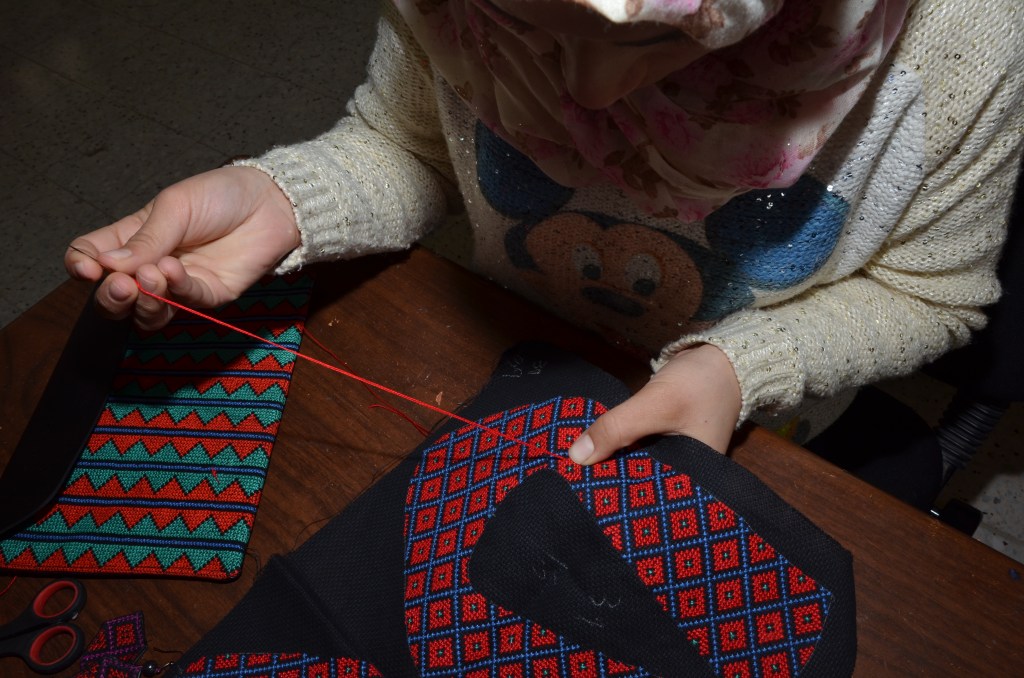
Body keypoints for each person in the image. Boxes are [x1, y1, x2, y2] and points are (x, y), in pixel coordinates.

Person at [65, 0, 1024, 469]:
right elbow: (409, 145)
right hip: (499, 356)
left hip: (776, 425)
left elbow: (929, 293)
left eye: (658, 45)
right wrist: (284, 199)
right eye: (515, 29)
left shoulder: (968, 41)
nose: (584, 97)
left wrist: (742, 371)